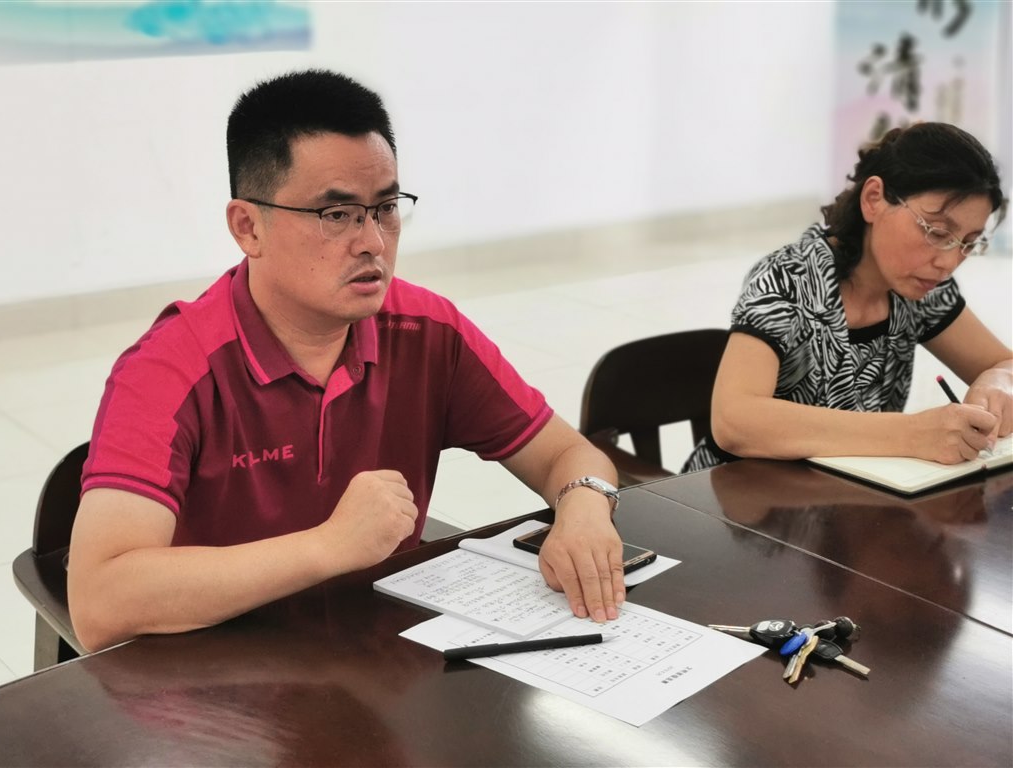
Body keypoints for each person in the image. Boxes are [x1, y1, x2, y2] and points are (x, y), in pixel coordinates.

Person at [68, 69, 624, 652]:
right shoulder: (170, 369)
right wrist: (328, 546)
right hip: (218, 665)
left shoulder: (426, 329)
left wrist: (585, 508)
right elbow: (100, 603)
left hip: (375, 655)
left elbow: (566, 454)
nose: (373, 242)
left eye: (386, 207)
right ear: (248, 227)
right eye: (337, 215)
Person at [684, 122, 1012, 473]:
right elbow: (735, 421)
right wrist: (913, 433)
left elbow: (1004, 364)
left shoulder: (924, 289)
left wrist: (998, 380)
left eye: (968, 243)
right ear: (874, 199)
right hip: (735, 493)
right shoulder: (790, 278)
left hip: (846, 494)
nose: (948, 262)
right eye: (937, 231)